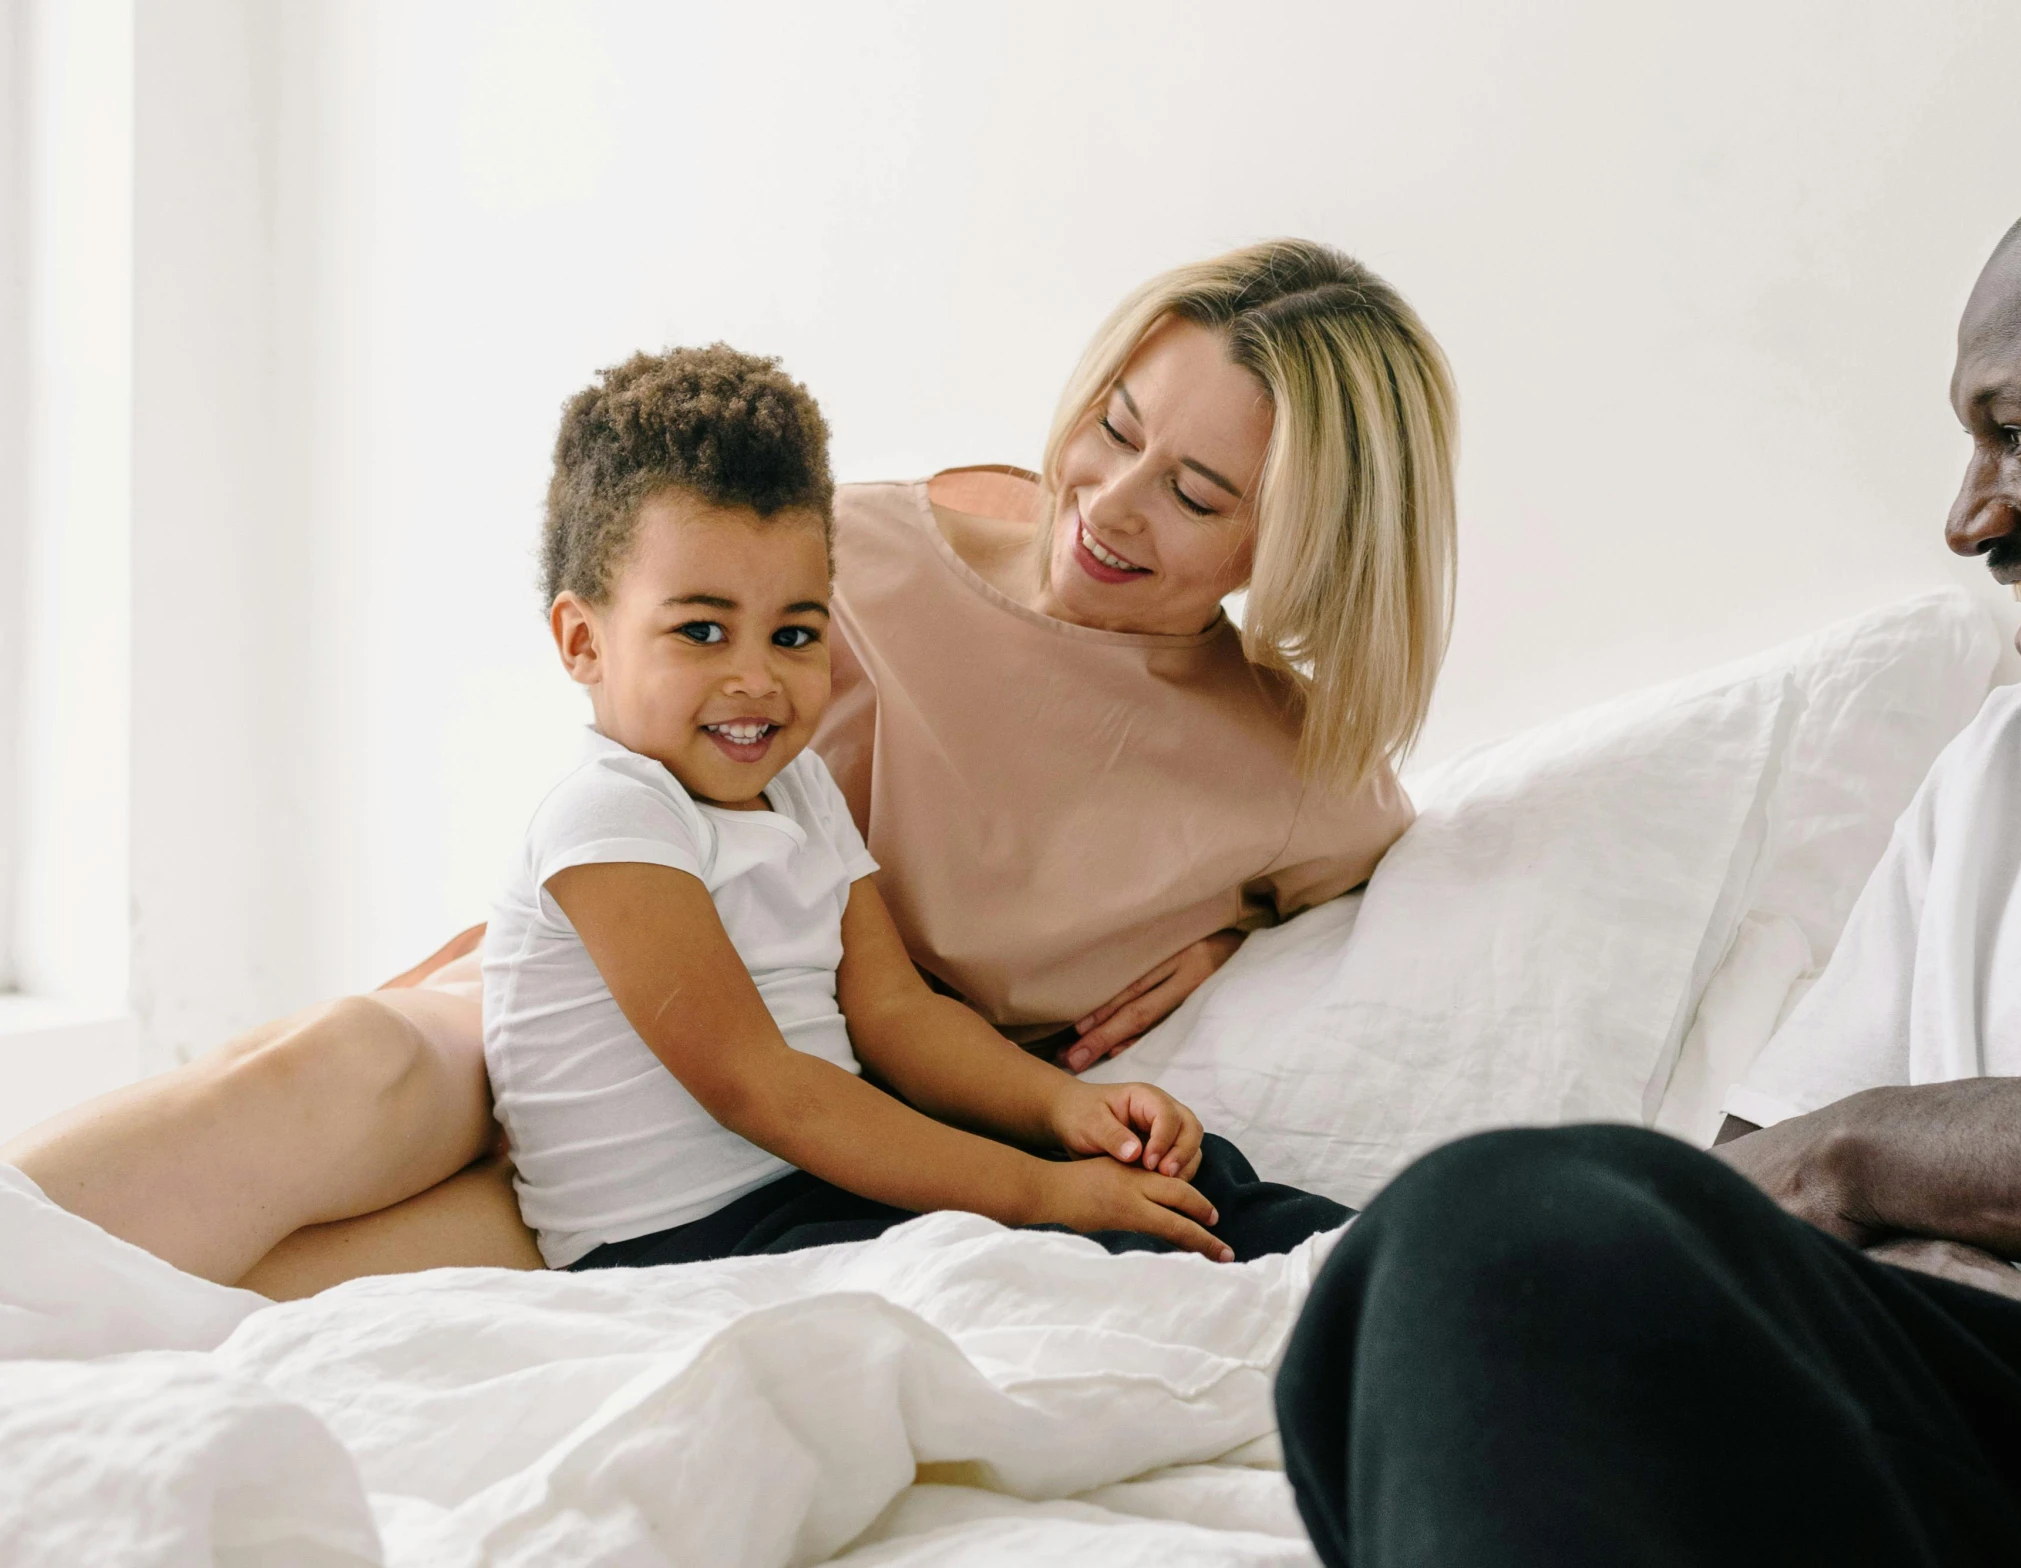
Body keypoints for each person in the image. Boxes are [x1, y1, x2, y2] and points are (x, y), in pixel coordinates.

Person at [1, 239, 1453, 1294]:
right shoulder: (865, 550)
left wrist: (1223, 940)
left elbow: (1346, 890)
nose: (1111, 507)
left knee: (280, 1307)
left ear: (1305, 538)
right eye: (1114, 431)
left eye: (1197, 495)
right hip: (616, 1004)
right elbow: (647, 733)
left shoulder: (1300, 781)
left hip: (793, 1143)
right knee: (350, 1069)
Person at [1276, 144, 2021, 1567]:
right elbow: (1743, 1205)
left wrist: (1875, 1154)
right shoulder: (2004, 771)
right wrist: (1902, 1246)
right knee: (1486, 1232)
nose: (1968, 516)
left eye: (2019, 434)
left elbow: (1823, 1162)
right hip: (2020, 1428)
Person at [488, 343, 1343, 1268]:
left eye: (795, 634)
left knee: (1187, 1178)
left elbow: (897, 1014)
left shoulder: (798, 787)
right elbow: (766, 1089)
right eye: (701, 631)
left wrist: (1063, 1108)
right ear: (583, 641)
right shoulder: (611, 820)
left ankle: (1383, 1258)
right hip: (690, 1236)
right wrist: (1040, 1194)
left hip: (807, 1181)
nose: (756, 678)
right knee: (1050, 1248)